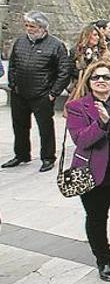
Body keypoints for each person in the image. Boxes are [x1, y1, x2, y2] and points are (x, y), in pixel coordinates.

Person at [65, 60, 110, 281]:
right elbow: (82, 140)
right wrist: (102, 124)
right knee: (96, 218)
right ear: (88, 81)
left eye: (107, 77)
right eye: (96, 77)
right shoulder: (77, 107)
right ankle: (103, 260)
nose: (102, 81)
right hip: (94, 173)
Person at [3, 11, 71, 172]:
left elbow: (64, 71)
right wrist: (13, 85)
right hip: (20, 93)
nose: (29, 29)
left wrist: (53, 93)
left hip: (42, 95)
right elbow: (12, 65)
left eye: (32, 26)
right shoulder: (20, 42)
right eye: (26, 25)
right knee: (19, 126)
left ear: (42, 27)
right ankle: (21, 154)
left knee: (45, 127)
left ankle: (48, 157)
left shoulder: (56, 45)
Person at [69, 24, 110, 90]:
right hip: (81, 86)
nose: (98, 37)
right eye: (95, 35)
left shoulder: (102, 51)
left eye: (98, 35)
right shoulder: (76, 51)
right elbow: (71, 69)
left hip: (100, 84)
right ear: (87, 36)